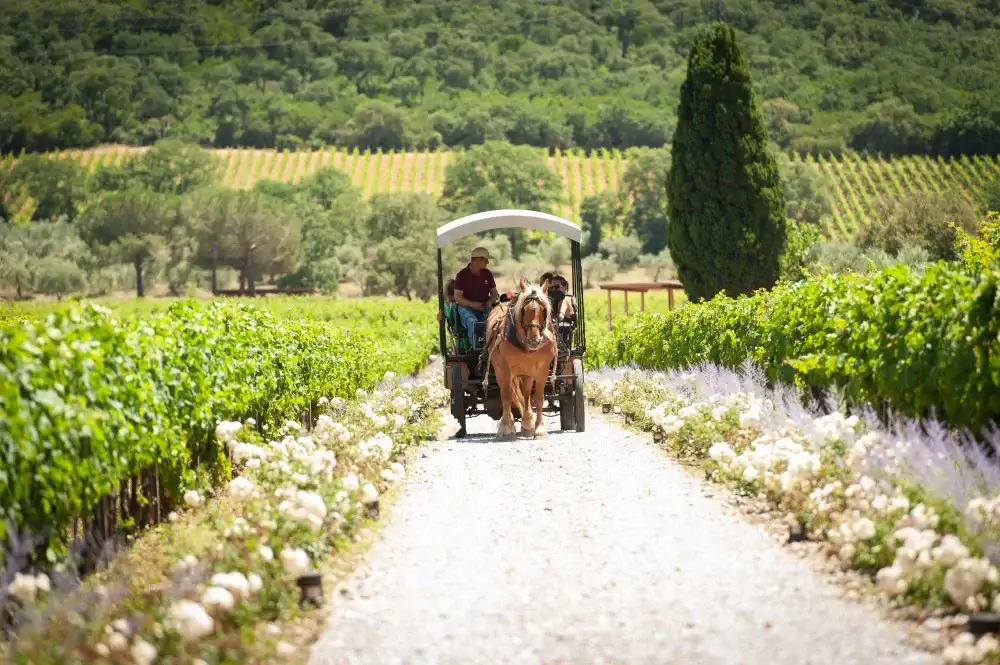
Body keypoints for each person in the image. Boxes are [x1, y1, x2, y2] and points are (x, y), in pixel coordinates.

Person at [454, 246, 498, 350]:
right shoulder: (462, 275)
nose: (487, 263)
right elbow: (457, 297)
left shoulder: (487, 274)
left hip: (484, 307)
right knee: (472, 322)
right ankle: (476, 351)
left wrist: (490, 301)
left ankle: (493, 348)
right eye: (485, 260)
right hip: (466, 308)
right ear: (476, 259)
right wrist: (472, 304)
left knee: (495, 321)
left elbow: (494, 293)